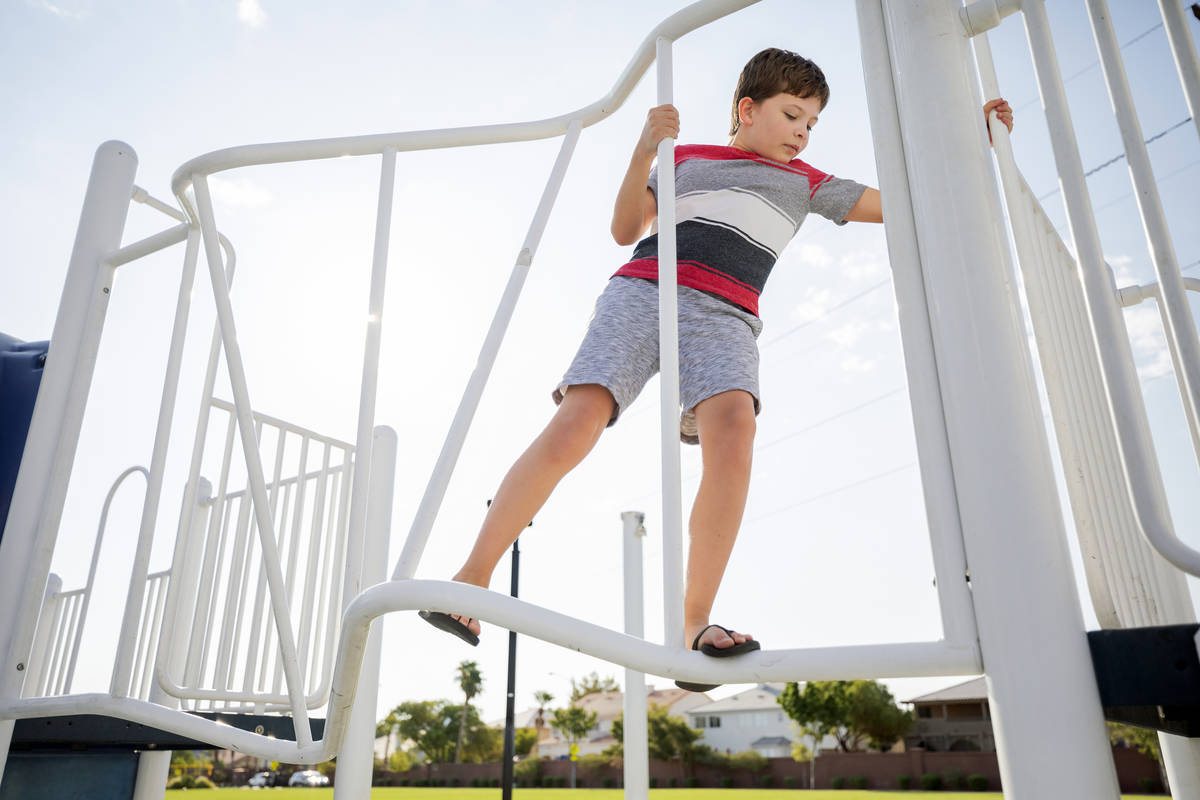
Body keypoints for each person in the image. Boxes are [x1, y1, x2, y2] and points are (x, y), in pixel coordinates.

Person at [420, 48, 1014, 691]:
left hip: (727, 312)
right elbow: (625, 229)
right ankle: (470, 579)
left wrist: (971, 142)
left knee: (734, 432)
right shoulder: (685, 158)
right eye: (792, 115)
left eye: (811, 123)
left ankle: (695, 623)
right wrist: (644, 151)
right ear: (747, 109)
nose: (801, 132)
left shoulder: (806, 182)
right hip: (644, 290)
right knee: (577, 421)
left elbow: (906, 202)